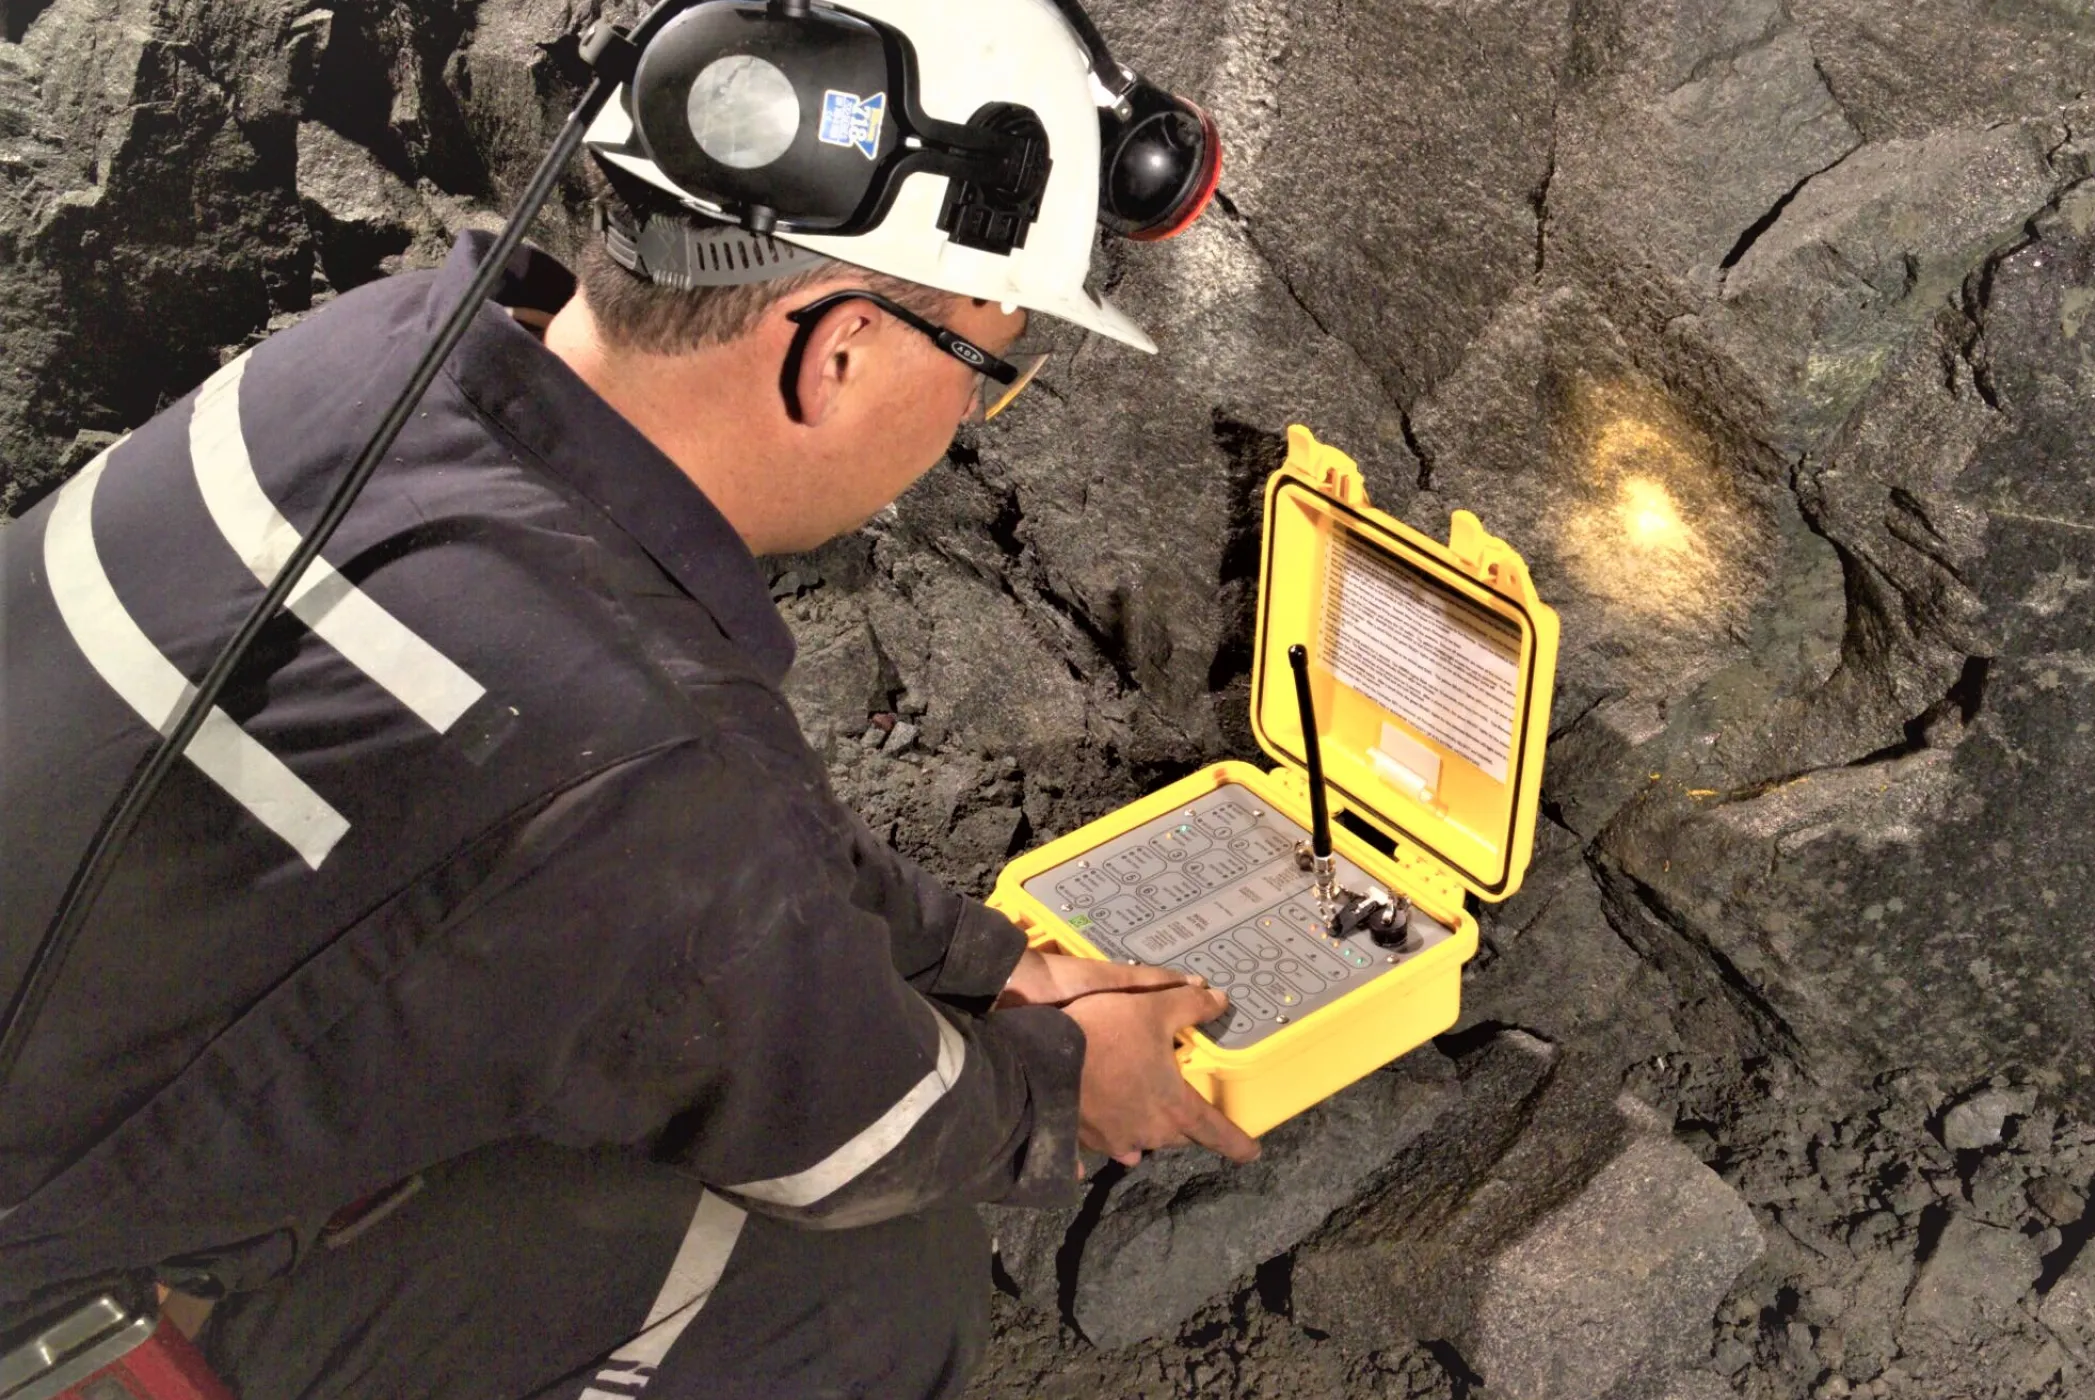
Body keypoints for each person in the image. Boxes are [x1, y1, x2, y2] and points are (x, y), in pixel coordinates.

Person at [0, 0, 1251, 1394]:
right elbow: (854, 1137)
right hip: (49, 1312)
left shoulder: (380, 360)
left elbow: (666, 839)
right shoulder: (639, 752)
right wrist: (1065, 1081)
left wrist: (983, 962)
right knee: (868, 1292)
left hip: (96, 1050)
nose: (969, 417)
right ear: (835, 355)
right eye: (984, 367)